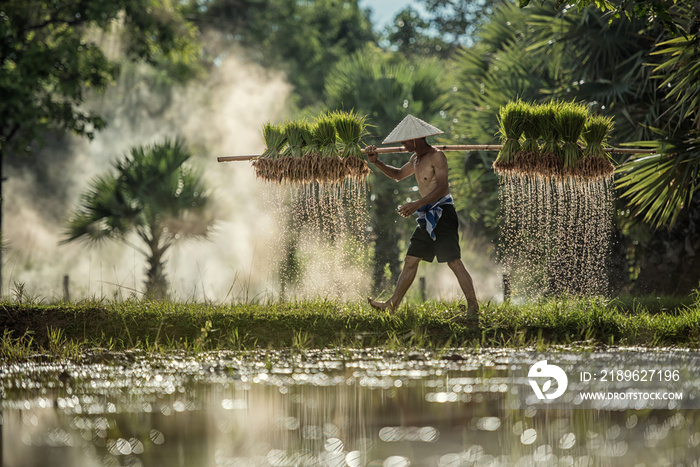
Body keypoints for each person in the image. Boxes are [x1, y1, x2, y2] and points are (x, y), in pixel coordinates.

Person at [365, 114, 479, 315]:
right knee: (411, 259)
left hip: (442, 212)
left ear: (416, 138)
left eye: (405, 140)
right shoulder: (415, 159)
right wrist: (377, 162)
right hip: (427, 215)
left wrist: (416, 204)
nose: (402, 143)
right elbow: (399, 175)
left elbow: (442, 188)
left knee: (453, 261)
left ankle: (473, 307)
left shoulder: (437, 156)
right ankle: (391, 306)